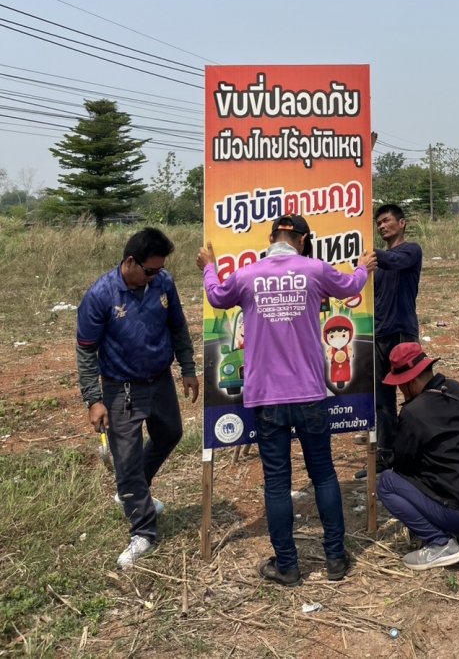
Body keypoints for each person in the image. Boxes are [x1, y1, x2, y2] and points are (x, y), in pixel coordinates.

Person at [197, 214, 377, 587]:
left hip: (268, 397)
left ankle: (287, 566)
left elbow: (216, 296)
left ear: (271, 238)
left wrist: (209, 267)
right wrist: (363, 267)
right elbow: (350, 286)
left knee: (277, 482)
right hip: (309, 393)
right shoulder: (314, 270)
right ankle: (335, 559)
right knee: (323, 473)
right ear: (303, 240)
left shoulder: (247, 275)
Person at [76, 227, 199, 569]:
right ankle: (143, 530)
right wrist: (94, 399)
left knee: (170, 433)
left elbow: (178, 327)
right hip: (121, 388)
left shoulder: (163, 283)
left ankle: (132, 492)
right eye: (150, 270)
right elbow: (86, 351)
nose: (155, 276)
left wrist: (188, 367)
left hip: (159, 380)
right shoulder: (100, 296)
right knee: (126, 460)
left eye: (160, 270)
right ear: (130, 262)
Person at [376, 342, 459, 571]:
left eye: (400, 386)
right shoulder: (456, 389)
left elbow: (403, 465)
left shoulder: (413, 412)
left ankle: (440, 544)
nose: (401, 391)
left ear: (409, 382)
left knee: (387, 483)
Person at [357, 203, 422, 478]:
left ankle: (416, 455)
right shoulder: (377, 265)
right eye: (379, 223)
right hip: (378, 335)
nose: (382, 226)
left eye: (386, 221)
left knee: (414, 396)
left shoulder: (410, 251)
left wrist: (365, 254)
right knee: (382, 401)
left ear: (402, 223)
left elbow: (393, 260)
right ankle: (385, 456)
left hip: (402, 334)